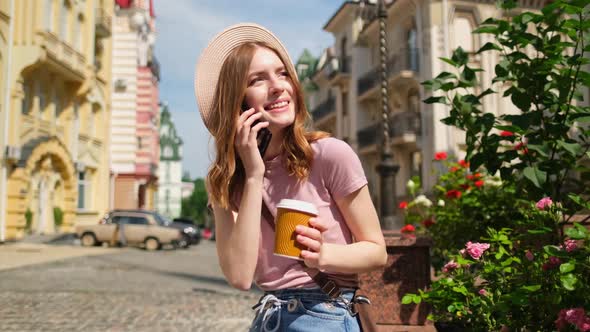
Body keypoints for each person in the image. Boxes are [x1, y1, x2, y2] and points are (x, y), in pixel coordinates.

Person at [194, 23, 387, 331]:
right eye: (257, 80)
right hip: (269, 317)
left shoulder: (328, 154)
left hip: (324, 314)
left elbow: (377, 251)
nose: (278, 86)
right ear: (238, 102)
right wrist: (254, 176)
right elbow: (241, 277)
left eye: (282, 73)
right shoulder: (226, 179)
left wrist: (323, 255)